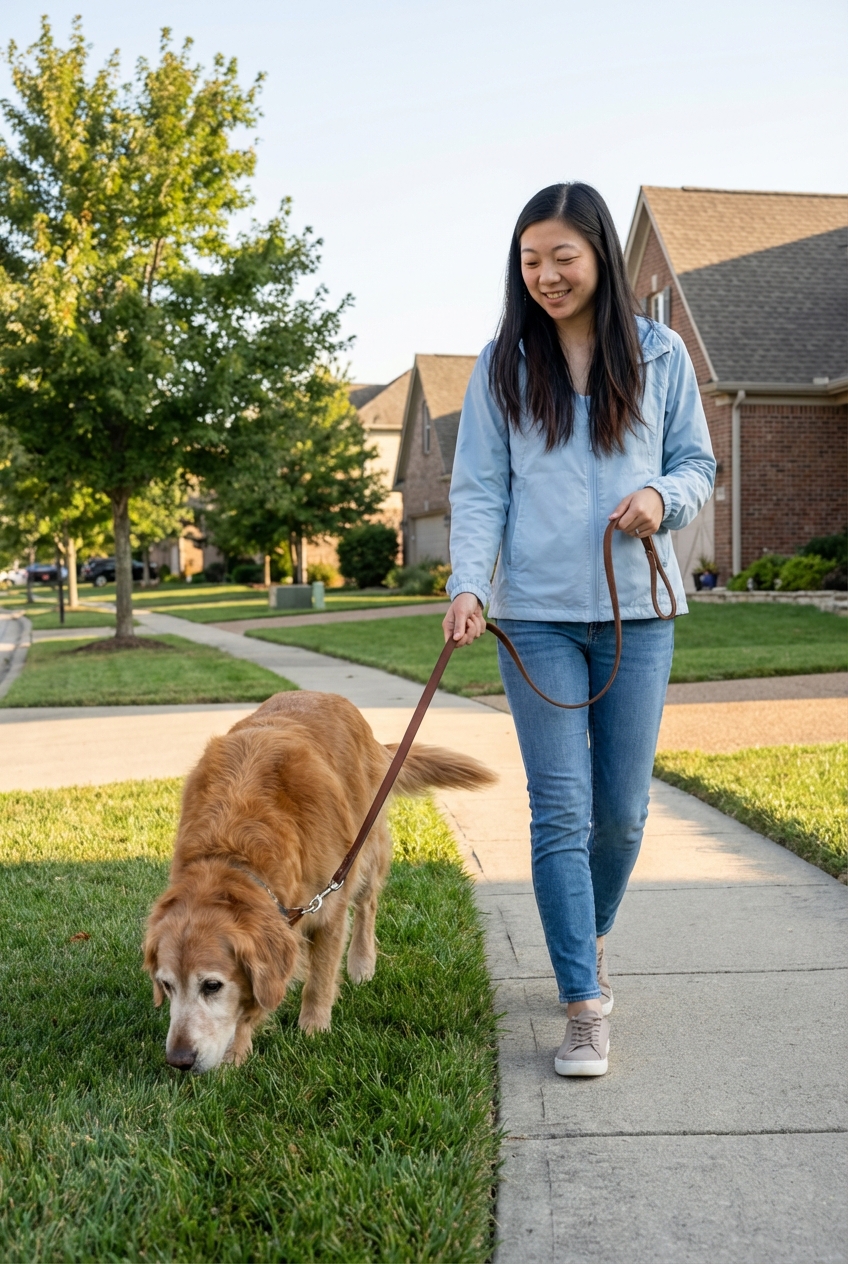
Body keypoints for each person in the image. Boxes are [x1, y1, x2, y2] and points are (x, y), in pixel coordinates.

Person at [443, 182, 715, 1077]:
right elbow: (483, 488)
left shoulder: (662, 353)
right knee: (560, 808)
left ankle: (584, 935)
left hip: (640, 611)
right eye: (531, 259)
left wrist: (660, 498)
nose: (548, 274)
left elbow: (697, 468)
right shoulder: (502, 364)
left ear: (599, 254)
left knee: (624, 814)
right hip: (535, 617)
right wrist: (469, 585)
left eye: (563, 256)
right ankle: (582, 1001)